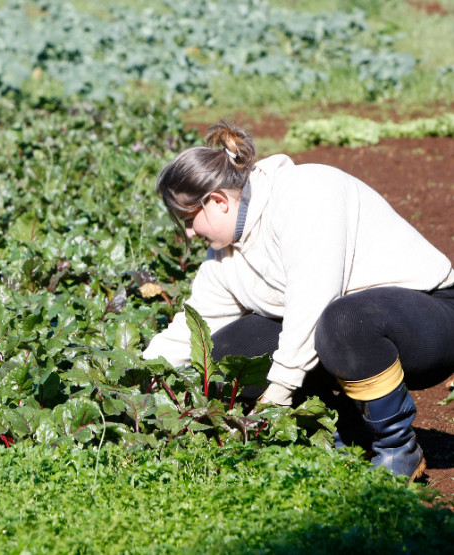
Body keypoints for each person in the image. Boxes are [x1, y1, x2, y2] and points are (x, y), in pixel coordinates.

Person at [143, 121, 454, 481]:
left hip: (429, 321)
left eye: (189, 220)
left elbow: (313, 302)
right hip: (343, 329)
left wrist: (278, 392)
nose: (190, 233)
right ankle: (348, 427)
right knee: (220, 353)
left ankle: (397, 447)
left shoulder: (306, 193)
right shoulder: (224, 258)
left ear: (217, 202)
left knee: (344, 321)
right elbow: (189, 333)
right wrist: (137, 378)